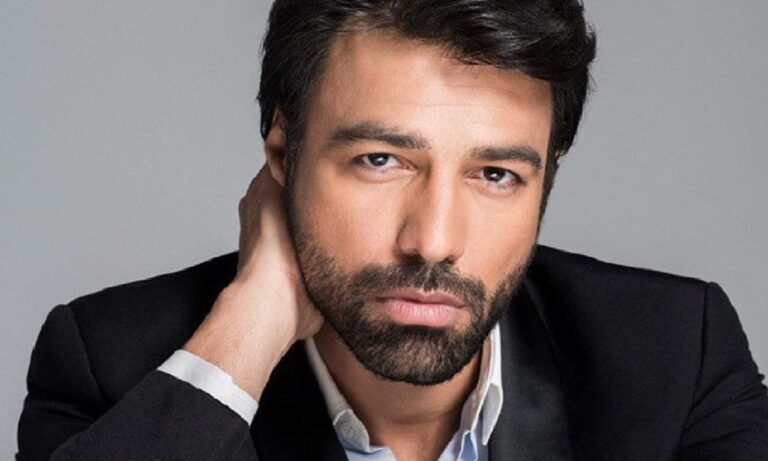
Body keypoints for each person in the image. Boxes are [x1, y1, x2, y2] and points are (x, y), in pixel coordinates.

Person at [16, 0, 768, 459]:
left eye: (496, 174)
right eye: (380, 160)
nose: (434, 241)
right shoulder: (116, 367)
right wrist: (246, 331)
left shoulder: (675, 356)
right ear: (282, 151)